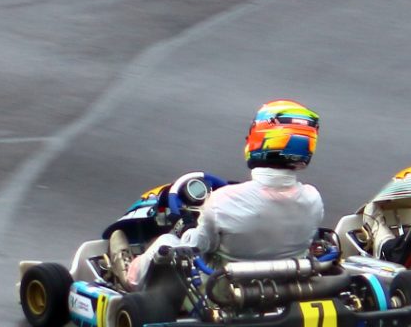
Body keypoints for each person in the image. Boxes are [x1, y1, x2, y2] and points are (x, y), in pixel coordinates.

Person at [127, 99, 326, 288]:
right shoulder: (313, 199)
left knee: (167, 242)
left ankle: (127, 284)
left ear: (261, 138)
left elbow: (196, 246)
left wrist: (184, 227)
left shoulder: (224, 200)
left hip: (223, 295)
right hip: (285, 292)